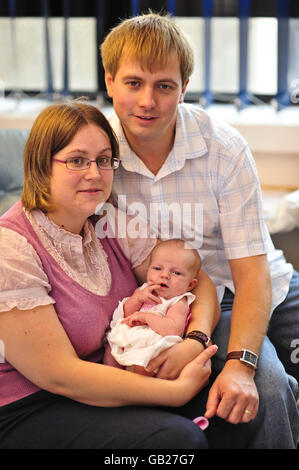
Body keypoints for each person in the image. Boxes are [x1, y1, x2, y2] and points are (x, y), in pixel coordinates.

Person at [0, 100, 250, 449]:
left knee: (232, 410)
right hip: (31, 407)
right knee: (178, 441)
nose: (94, 173)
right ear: (42, 165)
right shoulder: (11, 246)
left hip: (108, 379)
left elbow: (198, 278)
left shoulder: (106, 220)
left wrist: (195, 341)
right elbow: (60, 375)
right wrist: (174, 391)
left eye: (104, 160)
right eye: (76, 160)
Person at [100, 12, 299, 448]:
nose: (148, 101)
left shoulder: (223, 149)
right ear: (110, 81)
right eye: (133, 83)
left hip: (237, 289)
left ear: (184, 88)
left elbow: (251, 275)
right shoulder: (98, 154)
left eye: (164, 86)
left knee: (266, 389)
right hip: (160, 302)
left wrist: (241, 365)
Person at [106, 239, 202, 375]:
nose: (165, 275)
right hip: (129, 337)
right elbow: (126, 313)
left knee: (144, 365)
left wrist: (146, 317)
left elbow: (173, 330)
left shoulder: (178, 302)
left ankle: (137, 388)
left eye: (176, 273)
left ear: (190, 284)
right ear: (148, 271)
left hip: (152, 345)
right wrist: (137, 299)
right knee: (111, 348)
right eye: (157, 268)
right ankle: (110, 380)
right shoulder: (144, 290)